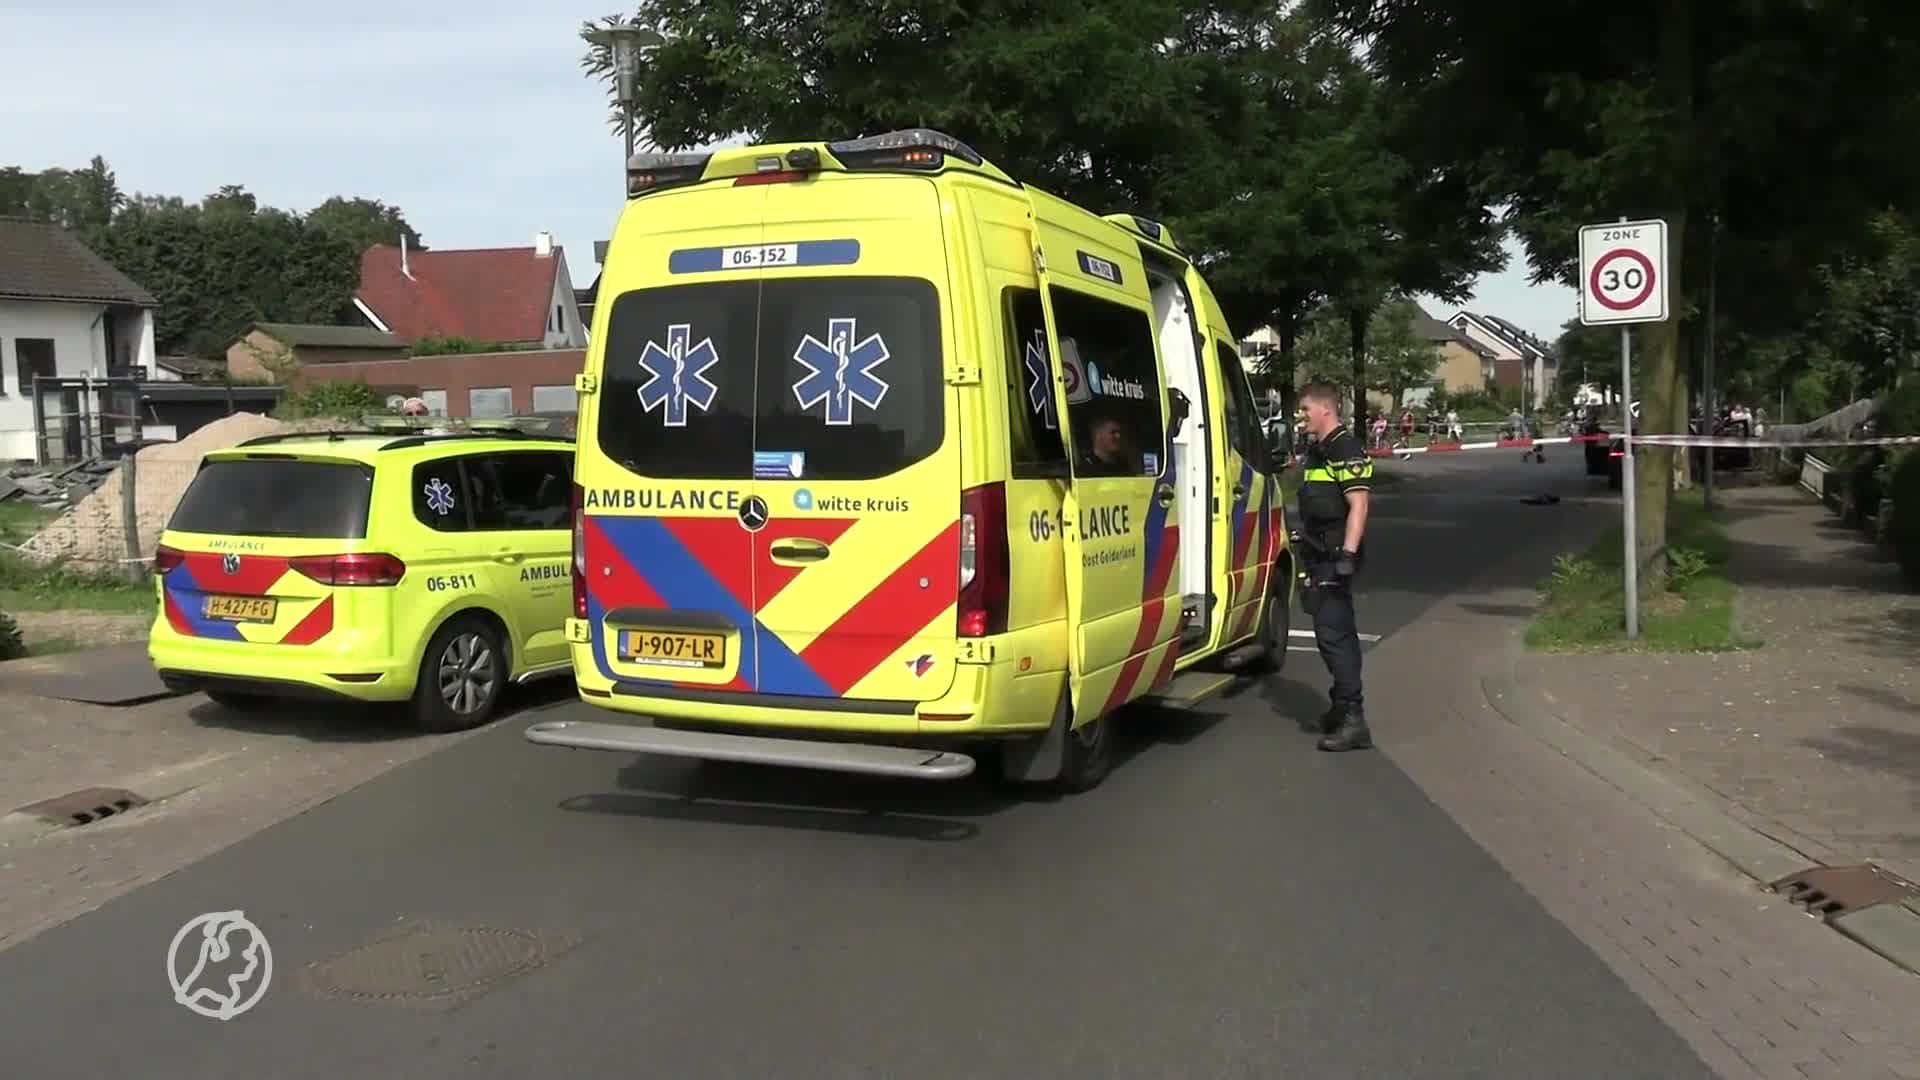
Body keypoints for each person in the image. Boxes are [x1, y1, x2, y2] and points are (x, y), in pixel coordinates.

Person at [1291, 382, 1374, 752]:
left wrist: (1348, 557)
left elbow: (1358, 505)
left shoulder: (1346, 449)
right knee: (1334, 632)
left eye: (1305, 409)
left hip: (1335, 557)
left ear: (1325, 409)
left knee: (1333, 635)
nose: (1301, 416)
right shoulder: (1318, 450)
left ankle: (1354, 719)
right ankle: (1341, 709)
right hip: (1318, 553)